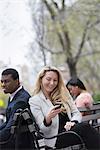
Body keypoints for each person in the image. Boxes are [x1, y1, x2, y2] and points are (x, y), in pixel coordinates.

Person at [29, 66, 100, 150]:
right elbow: (43, 130)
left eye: (55, 80)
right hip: (55, 138)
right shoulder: (35, 101)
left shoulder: (63, 95)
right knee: (85, 128)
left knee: (86, 129)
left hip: (71, 131)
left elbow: (76, 113)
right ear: (41, 79)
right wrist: (48, 119)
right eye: (48, 79)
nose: (52, 83)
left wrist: (73, 121)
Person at [0, 68, 35, 150]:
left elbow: (9, 130)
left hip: (20, 144)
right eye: (2, 81)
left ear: (17, 81)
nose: (3, 85)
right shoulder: (14, 96)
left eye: (6, 81)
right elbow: (7, 123)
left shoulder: (21, 101)